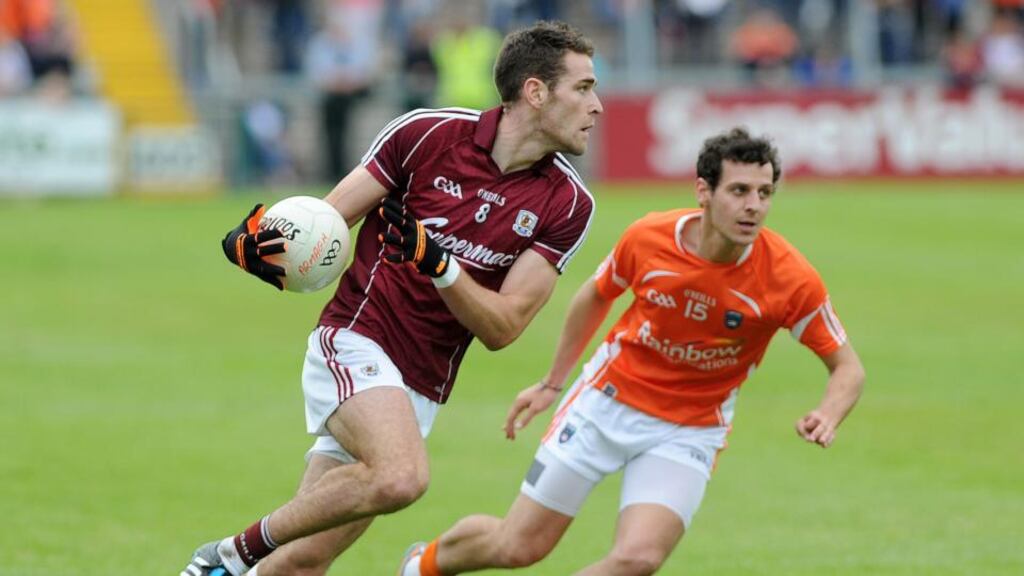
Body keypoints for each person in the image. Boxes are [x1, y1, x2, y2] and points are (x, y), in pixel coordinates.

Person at [180, 19, 603, 576]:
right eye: (583, 88)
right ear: (535, 91)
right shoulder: (427, 134)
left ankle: (245, 563)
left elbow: (503, 328)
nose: (596, 106)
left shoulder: (569, 203)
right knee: (402, 476)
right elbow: (323, 231)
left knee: (301, 563)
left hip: (420, 387)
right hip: (356, 339)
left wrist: (441, 267)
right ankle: (230, 556)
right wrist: (262, 250)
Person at [398, 127, 865, 576]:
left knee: (637, 560)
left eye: (764, 194)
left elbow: (847, 368)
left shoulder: (789, 278)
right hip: (604, 404)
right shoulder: (649, 238)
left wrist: (829, 413)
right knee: (519, 546)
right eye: (739, 191)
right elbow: (595, 296)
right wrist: (552, 383)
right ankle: (423, 565)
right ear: (703, 191)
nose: (753, 207)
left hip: (688, 430)